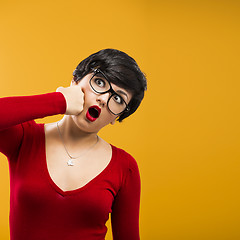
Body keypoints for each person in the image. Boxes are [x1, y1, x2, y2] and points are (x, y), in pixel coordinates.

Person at [0, 48, 147, 240]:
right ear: (75, 82)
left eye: (117, 98)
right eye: (99, 82)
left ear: (117, 116)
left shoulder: (124, 167)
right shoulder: (25, 138)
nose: (103, 99)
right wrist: (58, 101)